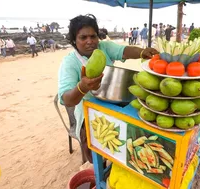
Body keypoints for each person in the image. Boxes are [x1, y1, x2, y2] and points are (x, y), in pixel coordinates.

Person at [57, 14, 159, 163]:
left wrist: (142, 52)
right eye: (83, 37)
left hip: (114, 103)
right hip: (89, 114)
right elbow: (67, 99)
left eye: (93, 36)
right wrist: (82, 88)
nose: (90, 41)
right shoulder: (69, 63)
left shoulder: (103, 48)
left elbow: (124, 51)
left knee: (128, 143)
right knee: (96, 156)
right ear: (74, 40)